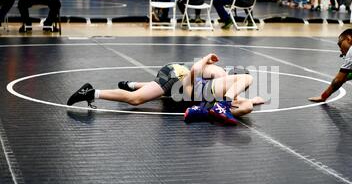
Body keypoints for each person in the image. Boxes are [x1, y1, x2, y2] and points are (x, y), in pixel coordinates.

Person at [67, 53, 265, 125]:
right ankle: (92, 92)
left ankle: (131, 84)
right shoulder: (219, 73)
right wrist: (206, 58)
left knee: (168, 96)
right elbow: (195, 70)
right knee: (136, 100)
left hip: (182, 84)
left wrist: (251, 102)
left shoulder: (223, 83)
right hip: (176, 76)